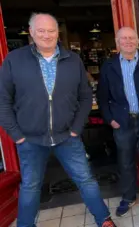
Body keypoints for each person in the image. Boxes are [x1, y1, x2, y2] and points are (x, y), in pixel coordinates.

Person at [0, 13, 115, 227]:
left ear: (57, 33)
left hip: (67, 136)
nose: (46, 35)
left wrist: (76, 127)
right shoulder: (14, 60)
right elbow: (3, 100)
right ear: (31, 32)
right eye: (41, 30)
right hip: (30, 138)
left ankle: (103, 219)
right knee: (30, 187)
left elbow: (84, 96)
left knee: (86, 179)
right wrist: (16, 135)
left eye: (51, 30)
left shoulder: (72, 59)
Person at [97, 27, 139, 217]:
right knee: (125, 162)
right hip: (122, 123)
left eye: (131, 38)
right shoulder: (109, 66)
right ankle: (128, 197)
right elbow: (102, 96)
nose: (127, 41)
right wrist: (110, 119)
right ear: (117, 42)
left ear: (138, 41)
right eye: (123, 38)